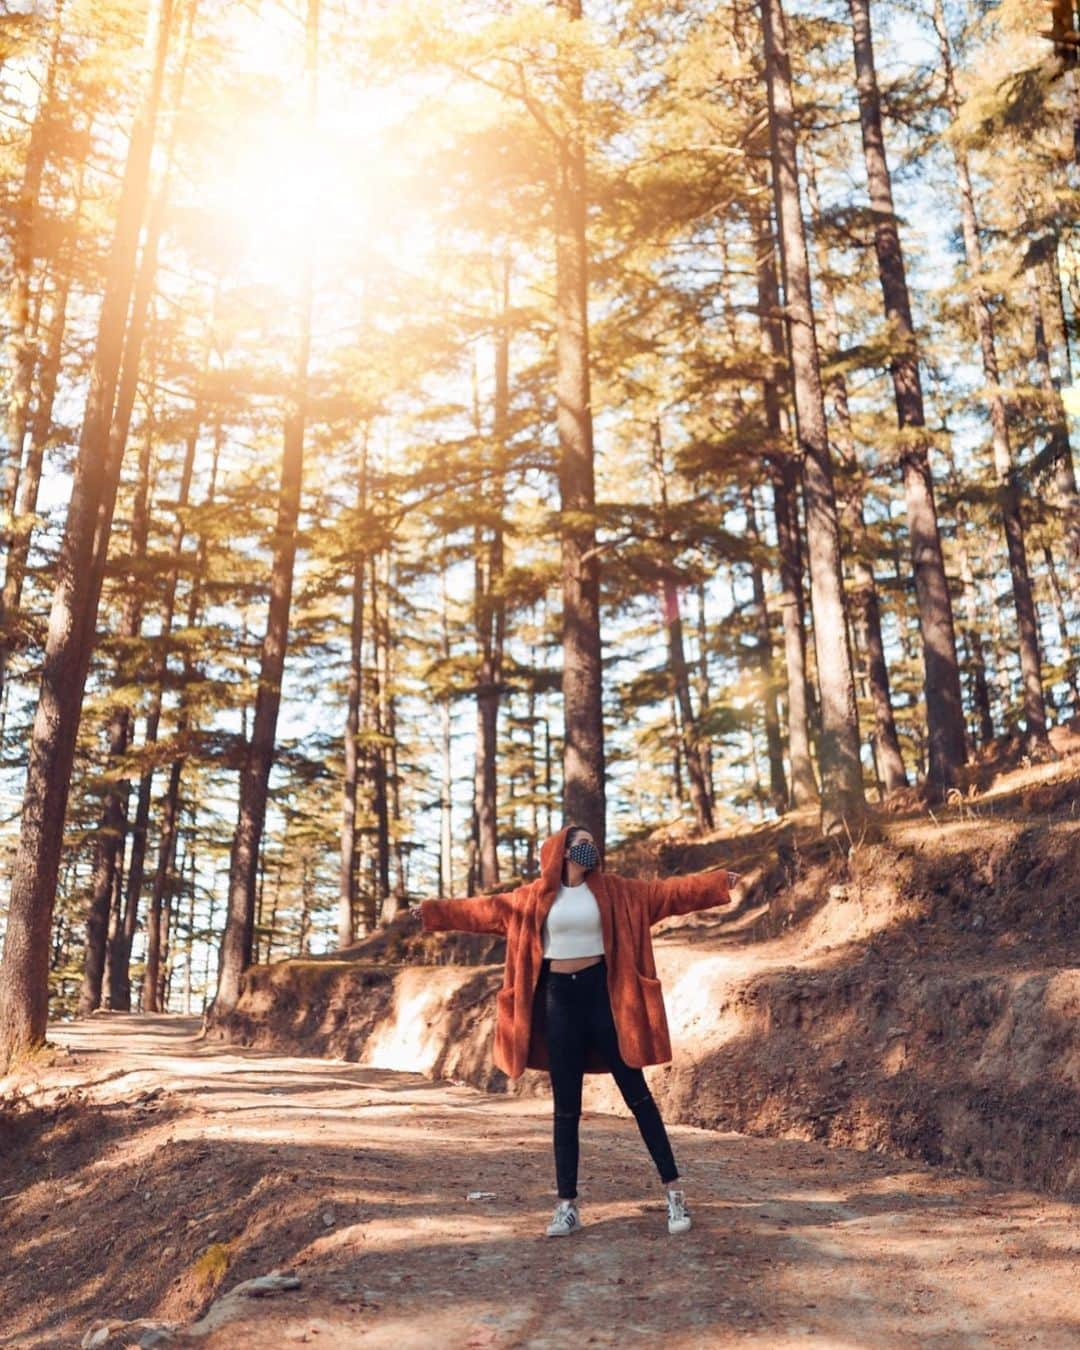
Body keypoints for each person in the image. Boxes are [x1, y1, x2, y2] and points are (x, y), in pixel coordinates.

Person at [416, 822, 740, 1238]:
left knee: (638, 1097)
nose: (592, 850)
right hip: (557, 1003)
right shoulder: (532, 898)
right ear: (562, 852)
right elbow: (481, 912)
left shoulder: (619, 892)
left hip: (604, 997)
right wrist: (431, 913)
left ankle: (674, 1193)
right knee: (565, 1110)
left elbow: (671, 894)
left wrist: (716, 884)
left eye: (593, 844)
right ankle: (566, 1206)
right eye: (583, 845)